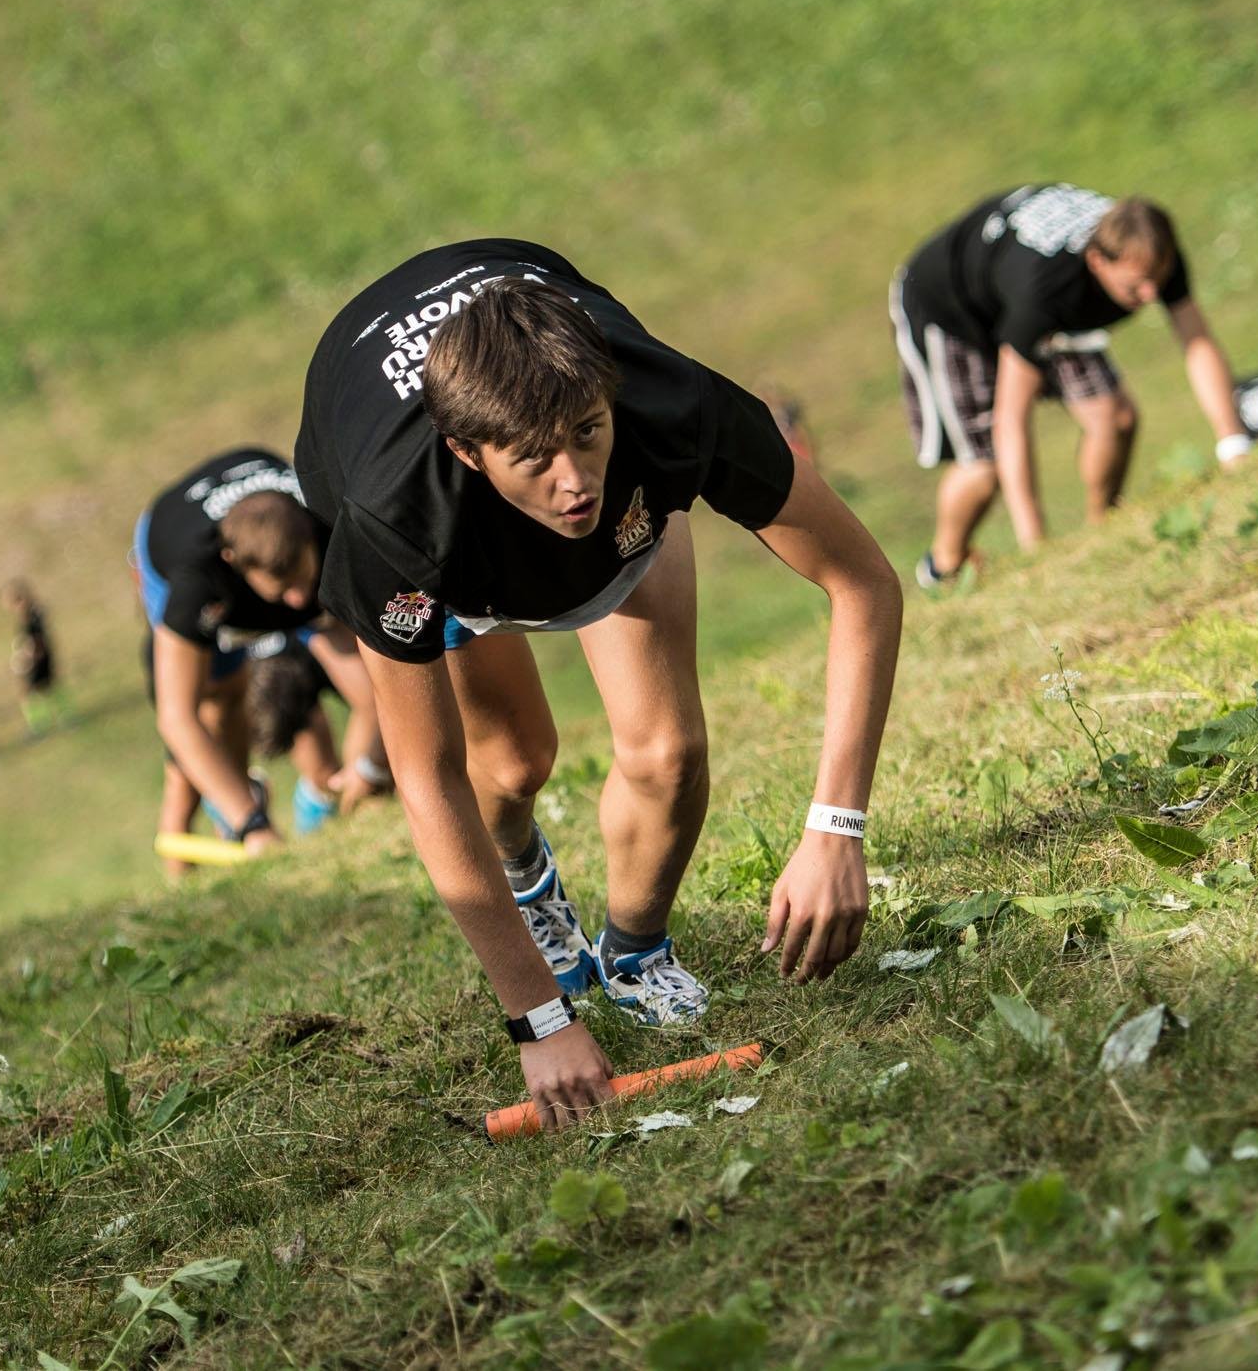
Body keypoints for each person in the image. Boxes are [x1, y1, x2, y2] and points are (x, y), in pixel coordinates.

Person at [294, 239, 903, 1130]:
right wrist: (537, 1019)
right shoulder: (397, 521)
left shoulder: (671, 404)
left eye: (586, 433)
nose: (574, 481)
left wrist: (836, 827)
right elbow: (426, 775)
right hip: (456, 543)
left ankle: (635, 952)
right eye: (536, 457)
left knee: (669, 752)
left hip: (609, 495)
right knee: (511, 767)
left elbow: (864, 582)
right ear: (467, 449)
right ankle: (527, 883)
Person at [892, 186, 1252, 586]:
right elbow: (1011, 420)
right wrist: (1038, 550)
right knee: (984, 466)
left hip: (1026, 290)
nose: (1151, 295)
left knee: (1116, 419)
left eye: (1156, 280)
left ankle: (1101, 531)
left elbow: (1197, 341)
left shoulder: (1151, 254)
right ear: (1098, 261)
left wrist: (1233, 444)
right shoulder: (1045, 291)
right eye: (1135, 287)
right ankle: (944, 566)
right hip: (950, 307)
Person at [132, 448, 385, 875]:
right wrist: (254, 825)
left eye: (301, 580)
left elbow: (377, 688)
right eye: (281, 589)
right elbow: (177, 719)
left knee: (368, 670)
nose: (296, 600)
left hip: (268, 500)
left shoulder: (326, 524)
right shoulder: (197, 579)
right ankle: (211, 835)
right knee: (221, 699)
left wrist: (368, 767)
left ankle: (356, 793)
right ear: (236, 567)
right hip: (167, 540)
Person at [244, 642, 390, 833]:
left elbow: (374, 706)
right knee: (325, 778)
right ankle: (319, 821)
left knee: (365, 780)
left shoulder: (323, 640)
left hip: (322, 644)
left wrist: (367, 770)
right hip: (279, 678)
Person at [6, 580, 66, 736]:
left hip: (37, 660)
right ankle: (58, 718)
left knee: (34, 692)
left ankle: (42, 723)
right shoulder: (32, 615)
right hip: (40, 658)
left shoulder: (32, 617)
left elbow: (36, 641)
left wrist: (26, 659)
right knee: (45, 689)